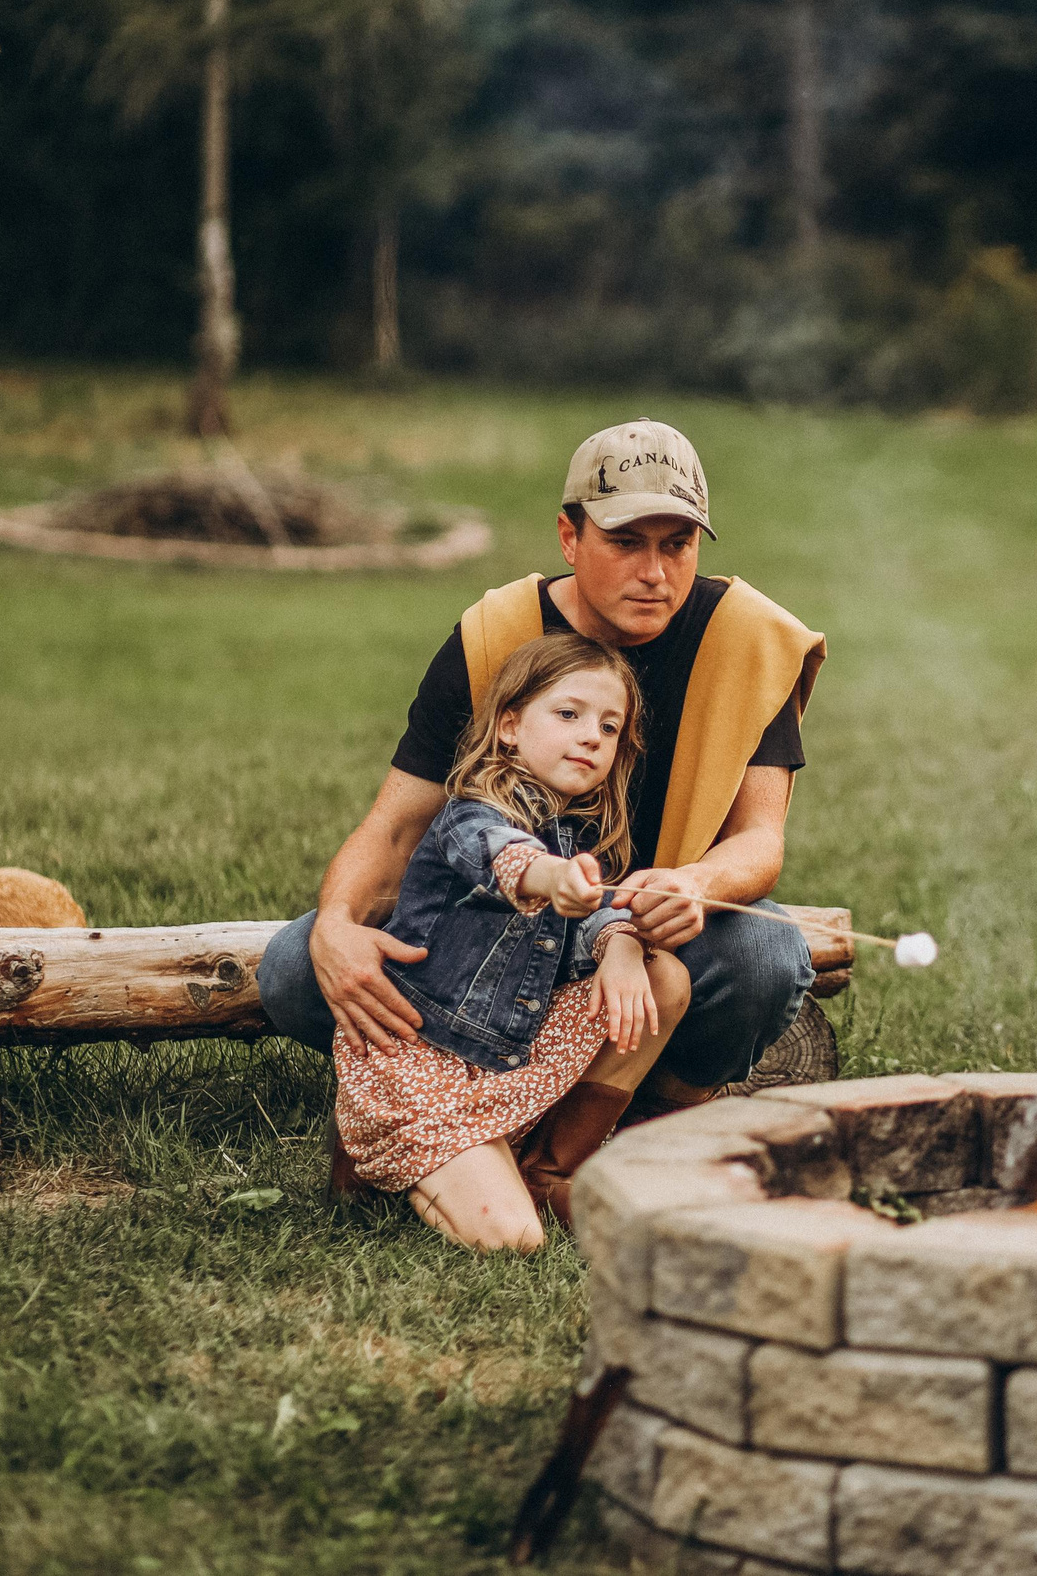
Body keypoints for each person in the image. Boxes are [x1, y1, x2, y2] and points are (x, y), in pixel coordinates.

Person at [258, 419, 825, 1221]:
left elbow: (760, 840)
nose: (656, 572)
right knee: (291, 965)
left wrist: (694, 884)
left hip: (645, 926)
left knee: (767, 951)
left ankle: (640, 1126)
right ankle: (462, 1111)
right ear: (569, 534)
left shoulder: (748, 639)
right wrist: (337, 927)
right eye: (627, 541)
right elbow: (396, 825)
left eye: (678, 544)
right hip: (495, 928)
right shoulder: (495, 637)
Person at [335, 633, 690, 1251]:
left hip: (503, 1053)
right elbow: (503, 858)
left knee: (665, 979)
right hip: (424, 1061)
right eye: (568, 714)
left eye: (609, 728)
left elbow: (585, 925)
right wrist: (553, 879)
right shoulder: (469, 814)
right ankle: (382, 1156)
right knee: (514, 1240)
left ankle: (547, 1172)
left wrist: (622, 945)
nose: (590, 737)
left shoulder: (572, 835)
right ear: (509, 725)